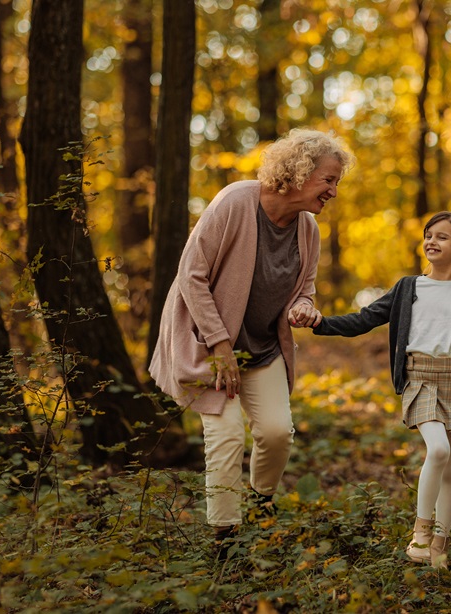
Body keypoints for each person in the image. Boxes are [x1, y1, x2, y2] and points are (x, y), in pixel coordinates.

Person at [292, 211, 451, 569]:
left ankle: (439, 547)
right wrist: (321, 322)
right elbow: (364, 319)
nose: (431, 241)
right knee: (440, 450)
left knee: (450, 468)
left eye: (442, 237)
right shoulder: (408, 288)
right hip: (421, 379)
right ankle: (420, 534)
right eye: (429, 235)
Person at [149, 129, 354, 535]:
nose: (333, 191)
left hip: (261, 348)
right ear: (299, 171)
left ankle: (261, 502)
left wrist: (303, 307)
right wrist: (220, 343)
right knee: (225, 437)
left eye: (337, 182)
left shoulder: (308, 229)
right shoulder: (235, 201)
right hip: (208, 345)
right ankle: (225, 537)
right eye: (328, 179)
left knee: (277, 433)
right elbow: (191, 275)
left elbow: (305, 290)